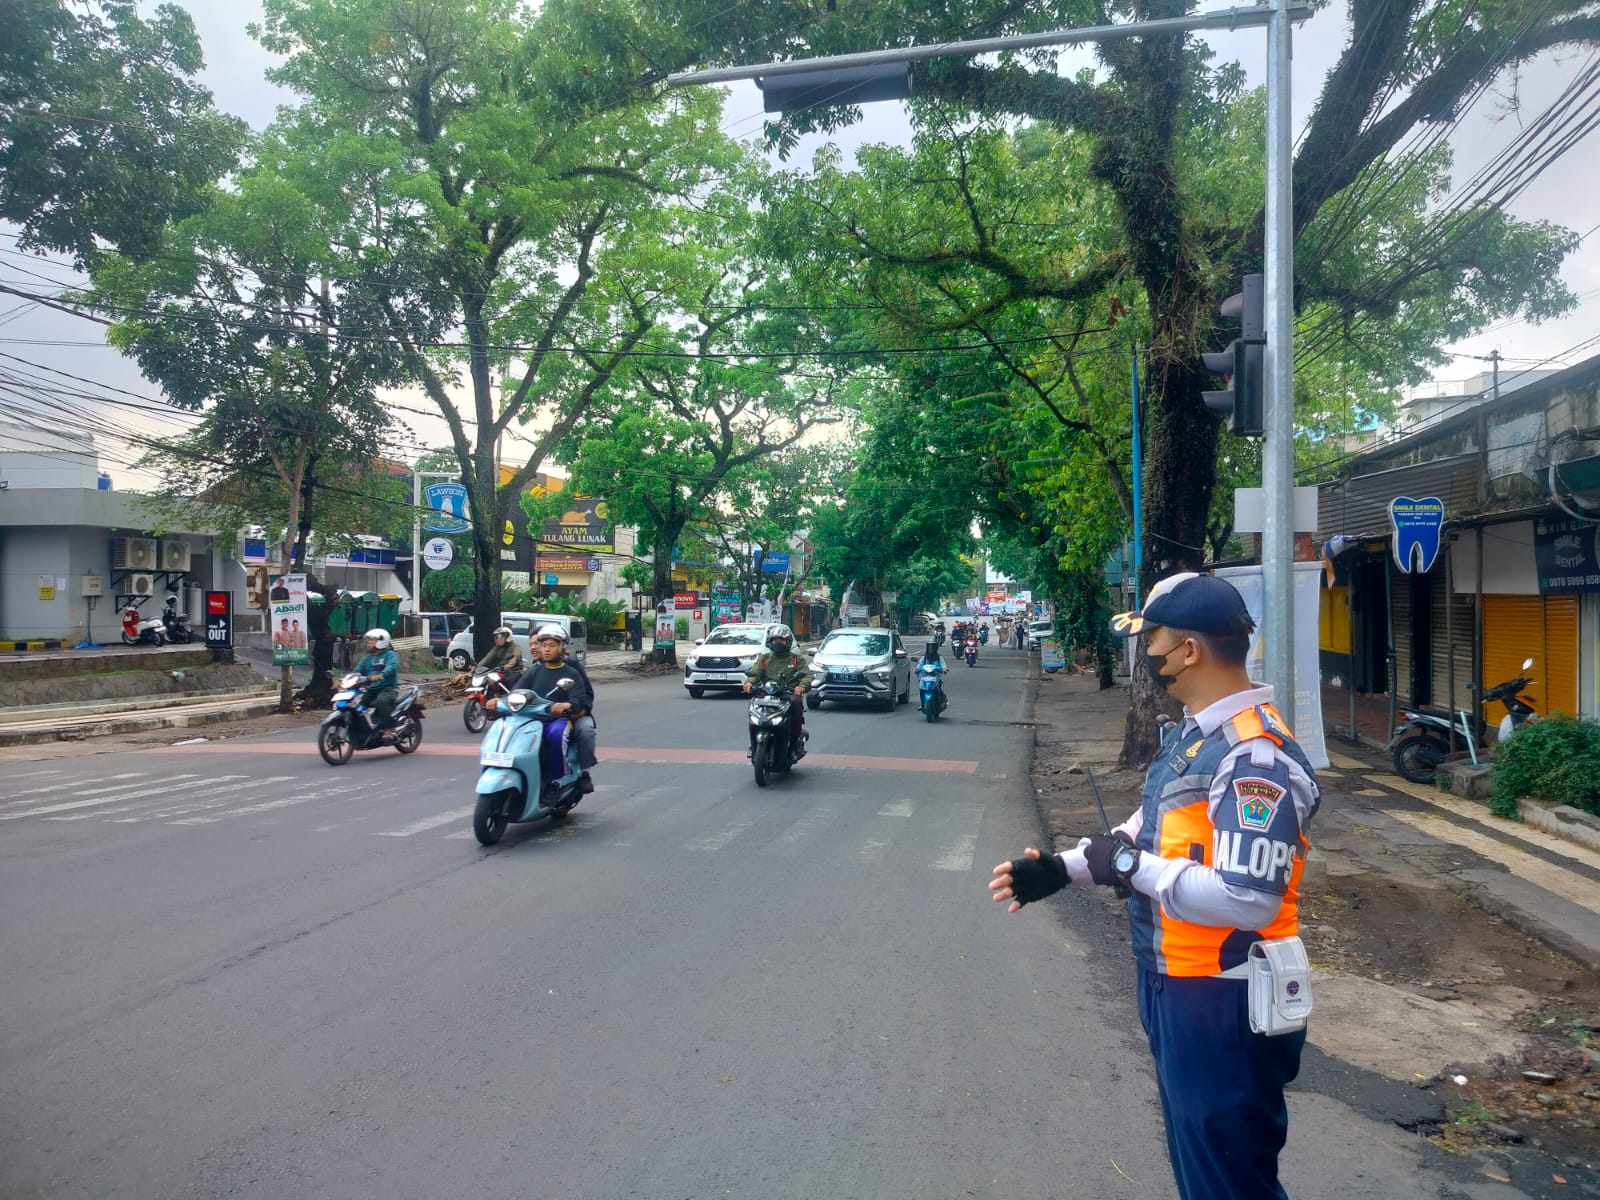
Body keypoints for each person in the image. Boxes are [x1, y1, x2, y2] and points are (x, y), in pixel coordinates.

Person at [988, 572, 1320, 1200]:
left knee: (1228, 1180)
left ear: (1189, 650)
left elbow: (1248, 897)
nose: (1147, 656)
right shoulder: (1198, 735)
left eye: (1153, 642)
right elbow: (1145, 830)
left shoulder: (1255, 758)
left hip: (1224, 1000)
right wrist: (1067, 867)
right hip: (1177, 984)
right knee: (1202, 1170)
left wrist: (1131, 869)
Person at [510, 626, 596, 790]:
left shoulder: (571, 669)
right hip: (539, 717)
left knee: (584, 731)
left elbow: (584, 695)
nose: (540, 648)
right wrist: (498, 701)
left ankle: (580, 773)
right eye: (538, 644)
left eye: (550, 645)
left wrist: (575, 708)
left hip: (571, 716)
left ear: (561, 647)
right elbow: (518, 692)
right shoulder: (533, 671)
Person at [742, 624, 812, 759]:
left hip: (787, 693)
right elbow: (755, 672)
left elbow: (807, 675)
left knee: (796, 703)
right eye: (775, 640)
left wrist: (801, 686)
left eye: (781, 640)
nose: (777, 643)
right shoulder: (765, 658)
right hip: (767, 693)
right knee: (753, 708)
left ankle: (793, 745)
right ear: (770, 642)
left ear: (787, 642)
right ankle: (753, 744)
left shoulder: (796, 659)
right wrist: (749, 683)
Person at [355, 628, 400, 746]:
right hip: (372, 689)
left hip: (388, 688)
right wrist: (345, 679)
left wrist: (381, 675)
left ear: (382, 641)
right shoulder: (367, 659)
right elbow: (357, 671)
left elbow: (392, 667)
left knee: (381, 702)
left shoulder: (390, 655)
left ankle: (389, 728)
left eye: (372, 640)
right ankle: (367, 728)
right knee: (359, 704)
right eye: (368, 639)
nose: (369, 642)